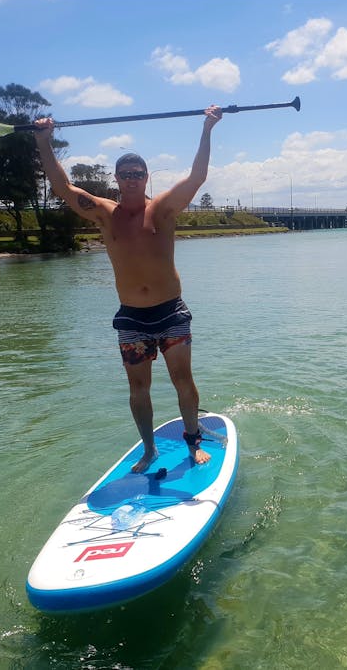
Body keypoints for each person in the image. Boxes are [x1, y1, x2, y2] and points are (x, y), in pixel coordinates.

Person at [33, 105, 223, 474]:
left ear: (146, 177)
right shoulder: (105, 213)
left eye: (138, 174)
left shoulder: (164, 209)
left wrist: (207, 128)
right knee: (139, 389)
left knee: (183, 380)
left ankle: (193, 440)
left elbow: (197, 177)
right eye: (126, 174)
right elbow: (62, 187)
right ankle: (149, 449)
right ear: (117, 178)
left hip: (170, 312)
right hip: (132, 317)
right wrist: (44, 141)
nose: (132, 179)